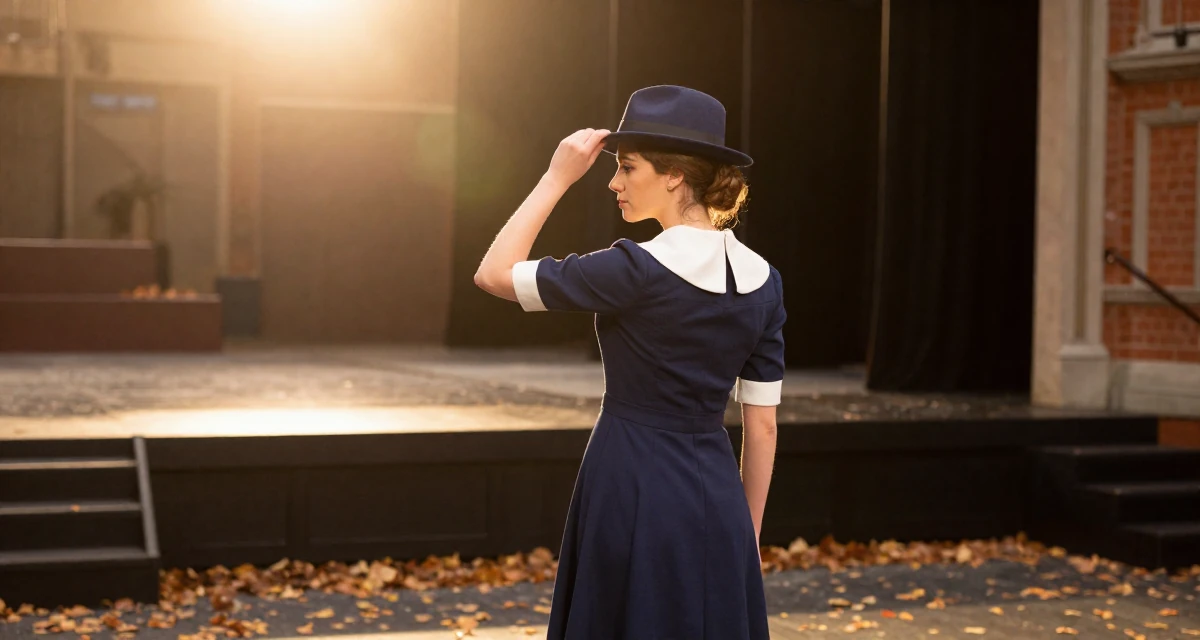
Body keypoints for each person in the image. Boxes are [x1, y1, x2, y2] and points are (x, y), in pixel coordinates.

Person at [474, 85, 784, 640]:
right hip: (716, 494)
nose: (614, 183)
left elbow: (493, 273)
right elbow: (761, 425)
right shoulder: (765, 281)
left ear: (674, 175)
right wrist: (746, 536)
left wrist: (557, 177)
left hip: (628, 477)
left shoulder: (633, 269)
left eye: (627, 167)